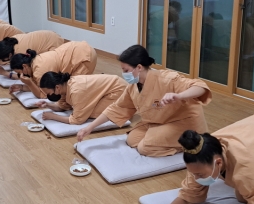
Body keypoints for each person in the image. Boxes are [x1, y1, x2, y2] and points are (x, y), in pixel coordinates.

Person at [76, 45, 211, 157]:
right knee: (132, 139)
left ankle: (190, 143)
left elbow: (200, 87)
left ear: (139, 67)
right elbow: (116, 108)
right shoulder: (133, 87)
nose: (124, 74)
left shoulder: (166, 79)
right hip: (159, 121)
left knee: (144, 148)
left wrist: (180, 96)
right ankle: (159, 135)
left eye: (126, 70)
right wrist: (89, 128)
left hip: (183, 123)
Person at [6, 41, 97, 98]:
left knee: (76, 88)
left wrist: (28, 83)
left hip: (83, 56)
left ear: (24, 66)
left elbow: (43, 94)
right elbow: (38, 87)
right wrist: (22, 87)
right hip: (76, 48)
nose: (20, 75)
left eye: (19, 72)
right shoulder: (35, 62)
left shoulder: (39, 70)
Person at [37, 72, 127, 125]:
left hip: (118, 91)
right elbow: (62, 106)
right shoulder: (64, 86)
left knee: (91, 113)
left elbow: (77, 120)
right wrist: (48, 105)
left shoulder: (76, 90)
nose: (49, 96)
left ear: (57, 87)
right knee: (83, 109)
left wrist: (53, 116)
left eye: (49, 93)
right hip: (113, 87)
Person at [0, 31, 65, 68]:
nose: (5, 61)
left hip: (53, 43)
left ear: (10, 55)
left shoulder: (20, 51)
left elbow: (26, 70)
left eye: (5, 59)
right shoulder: (12, 40)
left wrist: (6, 74)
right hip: (51, 35)